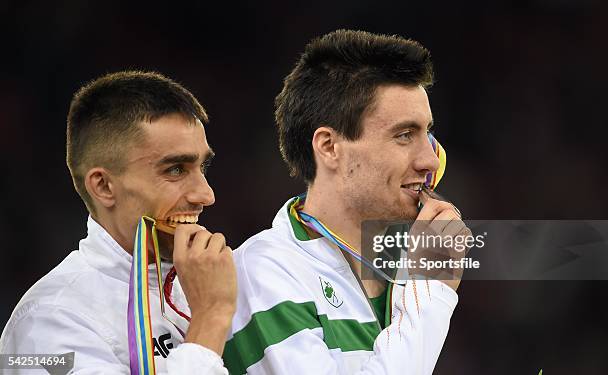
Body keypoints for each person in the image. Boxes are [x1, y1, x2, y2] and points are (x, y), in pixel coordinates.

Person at [223, 30, 468, 374]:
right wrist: (429, 292)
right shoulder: (264, 272)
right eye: (403, 135)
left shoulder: (404, 260)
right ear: (329, 147)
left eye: (427, 133)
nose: (430, 160)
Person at [0, 71, 236, 374]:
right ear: (104, 186)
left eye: (202, 166)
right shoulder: (48, 321)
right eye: (176, 169)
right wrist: (210, 319)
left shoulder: (210, 284)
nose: (206, 194)